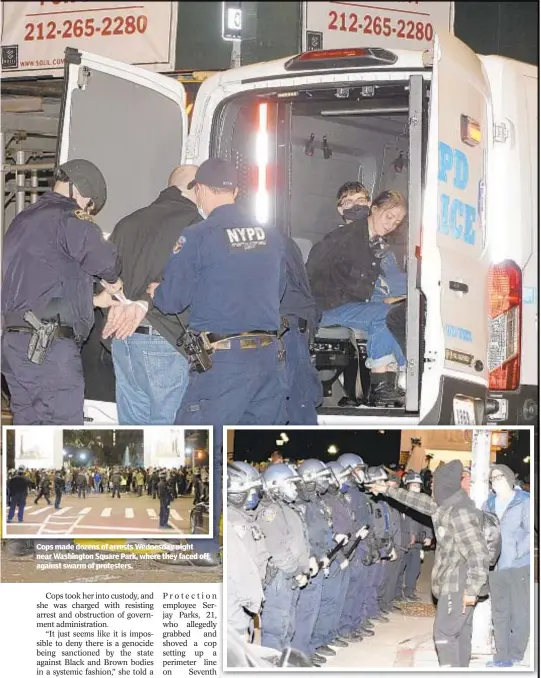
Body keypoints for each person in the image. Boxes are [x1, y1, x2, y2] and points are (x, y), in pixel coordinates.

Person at [148, 158, 287, 560]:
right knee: (244, 459)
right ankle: (248, 544)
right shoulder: (271, 236)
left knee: (198, 449)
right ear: (236, 192)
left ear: (202, 190)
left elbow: (174, 299)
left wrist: (157, 289)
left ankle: (200, 546)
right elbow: (276, 293)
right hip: (267, 363)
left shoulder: (200, 234)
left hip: (224, 364)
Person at [2, 159, 123, 424]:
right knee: (62, 433)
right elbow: (104, 259)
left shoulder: (23, 220)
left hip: (15, 345)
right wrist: (114, 280)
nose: (87, 210)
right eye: (89, 204)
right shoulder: (68, 216)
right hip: (49, 350)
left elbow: (41, 291)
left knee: (30, 437)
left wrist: (94, 300)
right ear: (80, 191)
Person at [102, 166, 201, 424]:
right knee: (167, 436)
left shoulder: (127, 222)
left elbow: (103, 278)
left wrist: (114, 310)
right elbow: (191, 287)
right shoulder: (195, 226)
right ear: (195, 188)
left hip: (123, 340)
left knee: (135, 433)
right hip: (165, 340)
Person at [369, 460, 490, 668]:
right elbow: (418, 501)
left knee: (444, 634)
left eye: (434, 482)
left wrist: (472, 589)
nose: (431, 485)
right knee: (459, 633)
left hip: (459, 583)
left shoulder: (460, 511)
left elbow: (478, 553)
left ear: (444, 484)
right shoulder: (445, 505)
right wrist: (387, 490)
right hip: (453, 582)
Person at [307, 188, 408, 406]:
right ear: (374, 209)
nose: (392, 224)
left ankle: (401, 375)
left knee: (399, 313)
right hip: (327, 308)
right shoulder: (345, 238)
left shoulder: (376, 243)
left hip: (349, 304)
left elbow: (362, 288)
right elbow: (313, 271)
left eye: (397, 221)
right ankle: (382, 385)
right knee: (387, 316)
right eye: (389, 216)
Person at [256, 464, 311, 654]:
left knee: (288, 625)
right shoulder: (270, 512)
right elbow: (277, 551)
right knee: (275, 627)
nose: (295, 489)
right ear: (276, 486)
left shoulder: (287, 508)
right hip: (280, 578)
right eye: (291, 484)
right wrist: (296, 570)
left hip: (290, 576)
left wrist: (303, 569)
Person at [483, 465, 530, 668]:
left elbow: (531, 533)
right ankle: (502, 656)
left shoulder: (524, 501)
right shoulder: (488, 503)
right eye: (492, 478)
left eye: (500, 476)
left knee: (519, 612)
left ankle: (516, 652)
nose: (496, 480)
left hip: (518, 566)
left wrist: (516, 553)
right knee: (499, 612)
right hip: (496, 567)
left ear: (510, 478)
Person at [280, 236, 323, 424]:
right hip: (290, 321)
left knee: (299, 398)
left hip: (286, 323)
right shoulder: (277, 240)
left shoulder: (272, 244)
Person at [227, 462, 271, 640]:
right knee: (238, 642)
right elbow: (240, 569)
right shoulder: (233, 522)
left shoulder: (244, 517)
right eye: (252, 490)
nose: (256, 495)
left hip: (246, 598)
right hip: (237, 600)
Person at [395, 471, 433, 601]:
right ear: (407, 485)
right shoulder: (400, 499)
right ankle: (397, 593)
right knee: (400, 568)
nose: (416, 487)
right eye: (413, 485)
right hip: (403, 541)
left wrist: (428, 536)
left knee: (414, 568)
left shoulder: (422, 501)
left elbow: (427, 520)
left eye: (418, 485)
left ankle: (409, 590)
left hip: (417, 541)